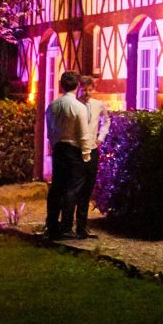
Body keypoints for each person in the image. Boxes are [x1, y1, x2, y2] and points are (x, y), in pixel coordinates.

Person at [43, 71, 96, 240]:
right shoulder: (79, 107)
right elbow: (83, 135)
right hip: (73, 151)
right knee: (72, 189)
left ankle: (52, 224)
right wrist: (86, 156)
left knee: (57, 187)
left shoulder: (52, 106)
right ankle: (66, 226)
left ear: (61, 85)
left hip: (58, 149)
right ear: (77, 86)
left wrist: (54, 145)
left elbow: (50, 131)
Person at [66, 76, 105, 238]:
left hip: (92, 148)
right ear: (79, 89)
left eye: (90, 90)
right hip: (78, 149)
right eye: (84, 90)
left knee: (88, 187)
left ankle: (82, 226)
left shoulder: (98, 105)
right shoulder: (75, 105)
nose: (87, 93)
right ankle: (67, 225)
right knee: (74, 187)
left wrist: (100, 137)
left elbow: (106, 121)